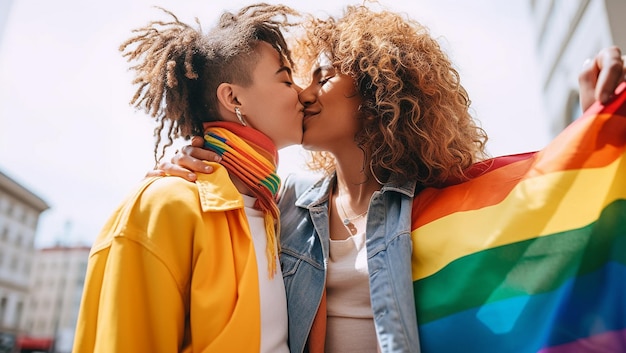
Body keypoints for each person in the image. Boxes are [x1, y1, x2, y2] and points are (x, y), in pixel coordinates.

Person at [156, 5, 626, 353]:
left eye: (322, 76)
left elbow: (547, 222)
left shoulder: (441, 204)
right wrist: (189, 157)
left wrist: (597, 122)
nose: (303, 92)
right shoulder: (284, 203)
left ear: (377, 91)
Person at [72, 4, 304, 352]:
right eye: (286, 79)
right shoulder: (162, 205)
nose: (300, 92)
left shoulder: (280, 211)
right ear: (233, 97)